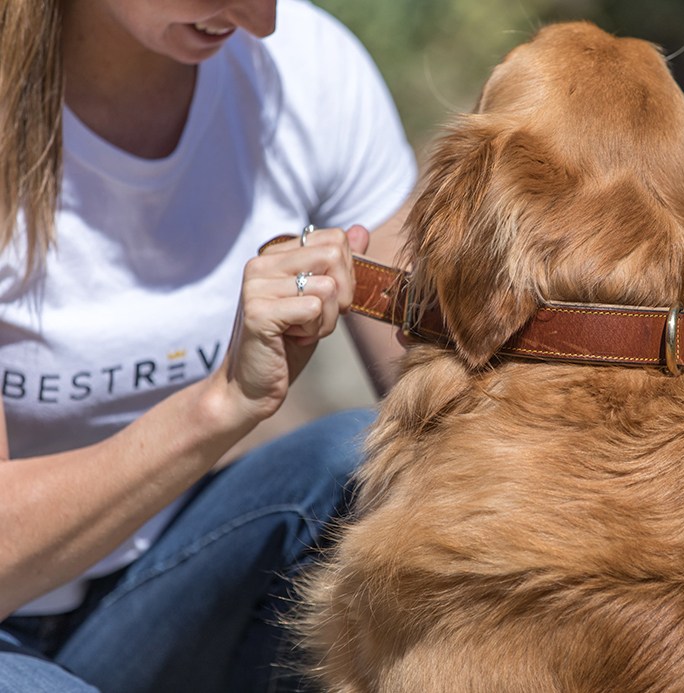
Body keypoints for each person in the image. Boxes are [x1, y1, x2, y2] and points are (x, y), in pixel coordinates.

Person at [0, 0, 416, 690]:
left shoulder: (310, 73)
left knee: (353, 459)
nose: (263, 22)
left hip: (160, 593)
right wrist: (223, 402)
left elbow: (439, 398)